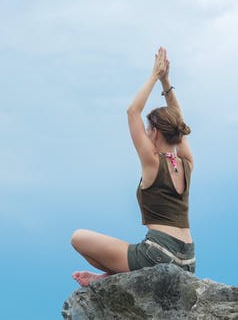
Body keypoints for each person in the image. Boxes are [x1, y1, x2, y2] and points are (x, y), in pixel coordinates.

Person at [71, 46, 195, 287]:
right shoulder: (187, 163)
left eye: (149, 130)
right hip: (188, 260)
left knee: (78, 238)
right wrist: (166, 82)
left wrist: (154, 75)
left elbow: (132, 112)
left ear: (156, 132)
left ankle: (117, 277)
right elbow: (179, 119)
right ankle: (113, 277)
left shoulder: (152, 161)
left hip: (157, 255)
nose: (146, 134)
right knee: (123, 248)